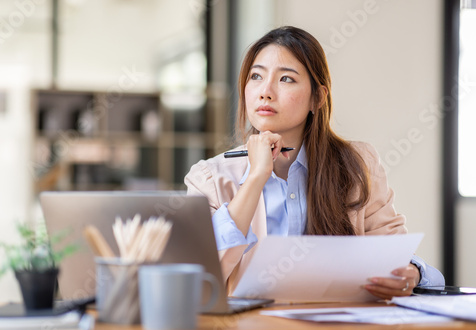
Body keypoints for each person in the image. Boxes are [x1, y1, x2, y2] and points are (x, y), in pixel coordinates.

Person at [185, 26, 444, 300]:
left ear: (317, 98)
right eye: (256, 76)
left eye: (285, 79)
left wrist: (412, 273)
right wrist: (255, 178)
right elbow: (199, 279)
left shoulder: (359, 165)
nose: (265, 92)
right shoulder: (209, 177)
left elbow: (395, 254)